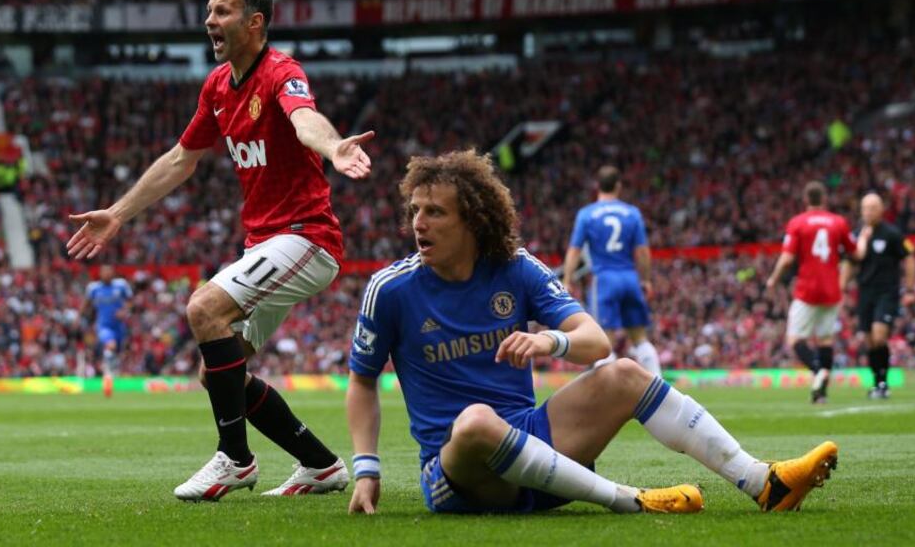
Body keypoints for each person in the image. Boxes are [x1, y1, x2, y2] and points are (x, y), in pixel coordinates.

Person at [346, 150, 837, 516]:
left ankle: (763, 483)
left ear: (471, 219)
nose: (418, 223)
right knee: (475, 421)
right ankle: (629, 500)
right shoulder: (391, 289)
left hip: (537, 449)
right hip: (458, 476)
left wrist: (549, 340)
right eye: (415, 210)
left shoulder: (515, 269)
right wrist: (366, 468)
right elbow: (363, 380)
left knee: (623, 371)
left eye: (435, 212)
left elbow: (595, 341)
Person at [67, 0, 374, 501]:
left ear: (255, 22)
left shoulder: (281, 71)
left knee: (203, 308)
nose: (211, 21)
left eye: (223, 12)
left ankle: (235, 459)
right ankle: (321, 466)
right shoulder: (216, 86)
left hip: (306, 237)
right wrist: (118, 214)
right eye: (209, 11)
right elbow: (181, 159)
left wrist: (333, 147)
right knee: (221, 377)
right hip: (266, 243)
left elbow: (304, 120)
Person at [766, 181, 867, 404]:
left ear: (805, 200)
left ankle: (817, 371)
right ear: (825, 199)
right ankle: (821, 393)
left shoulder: (798, 223)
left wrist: (774, 279)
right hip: (832, 289)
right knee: (825, 340)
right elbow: (856, 254)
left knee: (795, 339)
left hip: (807, 289)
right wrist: (865, 239)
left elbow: (787, 258)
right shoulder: (838, 222)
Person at [563, 165, 660, 375]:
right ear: (618, 186)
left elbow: (574, 251)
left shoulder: (587, 214)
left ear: (597, 186)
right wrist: (646, 280)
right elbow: (643, 252)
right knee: (640, 338)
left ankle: (610, 396)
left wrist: (568, 279)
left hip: (605, 280)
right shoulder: (632, 213)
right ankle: (661, 392)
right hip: (630, 278)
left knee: (603, 342)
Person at [841, 193, 915, 399]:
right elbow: (849, 261)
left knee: (879, 334)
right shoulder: (857, 235)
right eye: (865, 208)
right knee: (869, 341)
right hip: (865, 293)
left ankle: (883, 382)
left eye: (873, 208)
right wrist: (841, 287)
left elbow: (909, 257)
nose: (868, 212)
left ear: (881, 209)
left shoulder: (892, 234)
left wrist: (909, 289)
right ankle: (877, 383)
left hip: (887, 292)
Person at [82, 265, 132, 396]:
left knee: (118, 351)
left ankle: (112, 371)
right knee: (110, 345)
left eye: (109, 272)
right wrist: (78, 318)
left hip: (120, 326)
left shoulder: (121, 285)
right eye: (104, 272)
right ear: (100, 274)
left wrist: (124, 311)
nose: (107, 274)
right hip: (104, 326)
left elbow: (130, 302)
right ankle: (108, 374)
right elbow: (86, 304)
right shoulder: (94, 288)